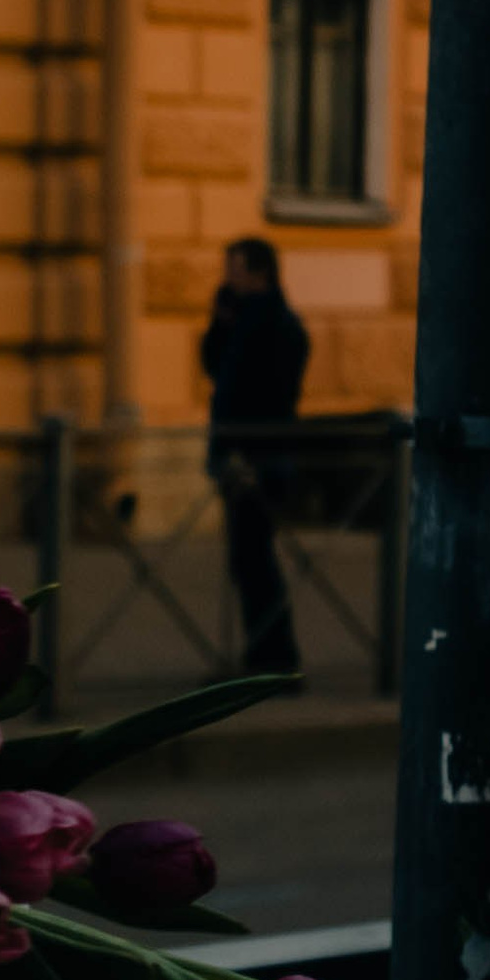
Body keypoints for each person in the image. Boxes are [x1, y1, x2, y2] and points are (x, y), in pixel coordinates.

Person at [201, 235, 309, 676]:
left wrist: (242, 446)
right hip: (242, 455)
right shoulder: (244, 319)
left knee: (255, 561)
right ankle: (264, 656)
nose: (229, 277)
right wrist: (219, 320)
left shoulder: (277, 324)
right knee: (246, 561)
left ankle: (275, 660)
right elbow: (214, 367)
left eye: (235, 268)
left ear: (258, 272)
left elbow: (262, 390)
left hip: (259, 459)